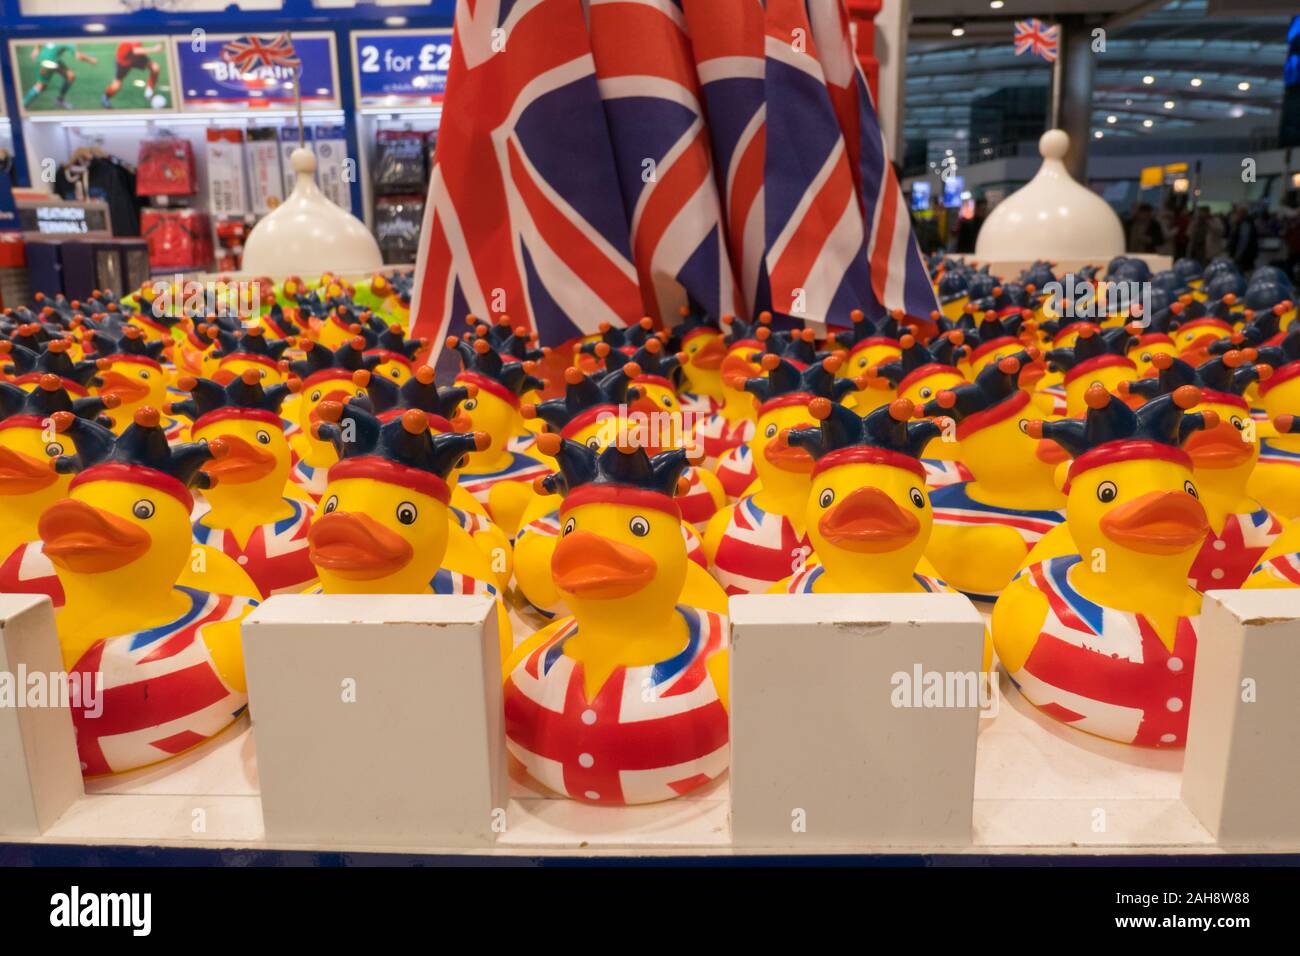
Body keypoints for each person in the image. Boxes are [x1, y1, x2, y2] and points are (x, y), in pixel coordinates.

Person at [23, 42, 97, 110]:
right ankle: (22, 106)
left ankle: (59, 100)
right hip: (48, 62)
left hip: (48, 58)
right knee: (41, 86)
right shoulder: (71, 40)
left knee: (70, 76)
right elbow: (79, 56)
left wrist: (37, 48)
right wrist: (91, 59)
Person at [102, 41, 162, 108]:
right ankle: (105, 97)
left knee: (155, 68)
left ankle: (148, 93)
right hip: (124, 62)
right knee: (117, 85)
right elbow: (135, 50)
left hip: (136, 57)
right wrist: (153, 49)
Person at [1228, 205, 1259, 272]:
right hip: (1246, 254)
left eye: (1237, 213)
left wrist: (1238, 255)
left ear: (1242, 213)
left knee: (1242, 272)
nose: (1236, 215)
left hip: (1244, 256)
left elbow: (1243, 241)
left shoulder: (1245, 223)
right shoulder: (1244, 222)